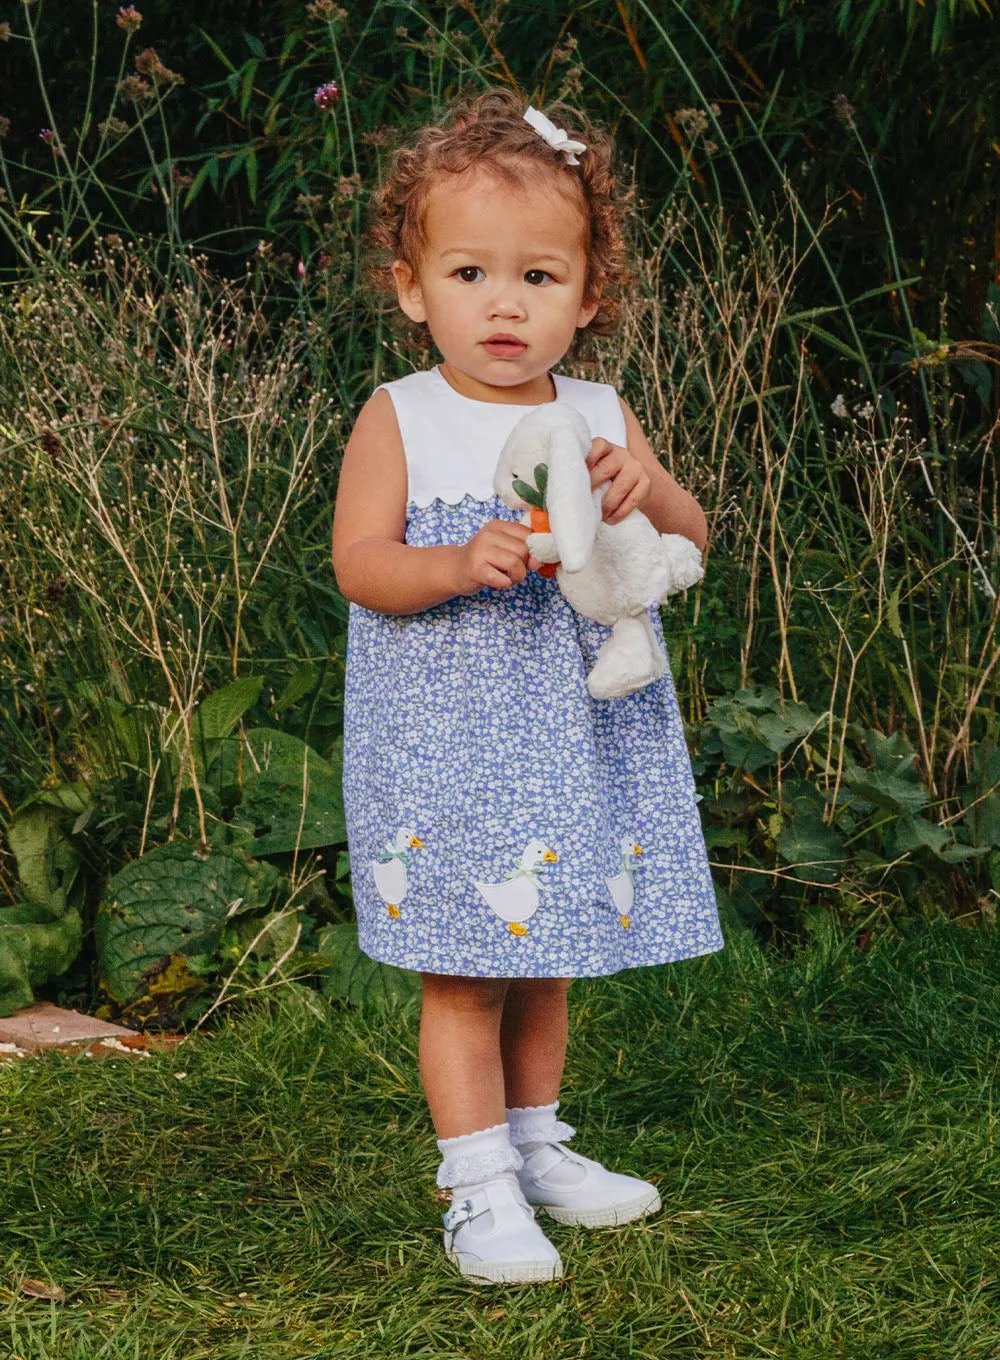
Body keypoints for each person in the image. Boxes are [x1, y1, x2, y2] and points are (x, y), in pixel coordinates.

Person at [331, 88, 724, 1285]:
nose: (505, 302)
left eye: (540, 277)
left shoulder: (597, 414)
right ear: (413, 287)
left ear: (587, 298)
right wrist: (454, 563)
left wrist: (637, 494)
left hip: (571, 736)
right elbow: (359, 564)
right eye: (469, 272)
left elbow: (691, 532)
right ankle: (475, 1180)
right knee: (466, 962)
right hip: (448, 739)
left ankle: (538, 1142)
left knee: (547, 945)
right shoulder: (403, 415)